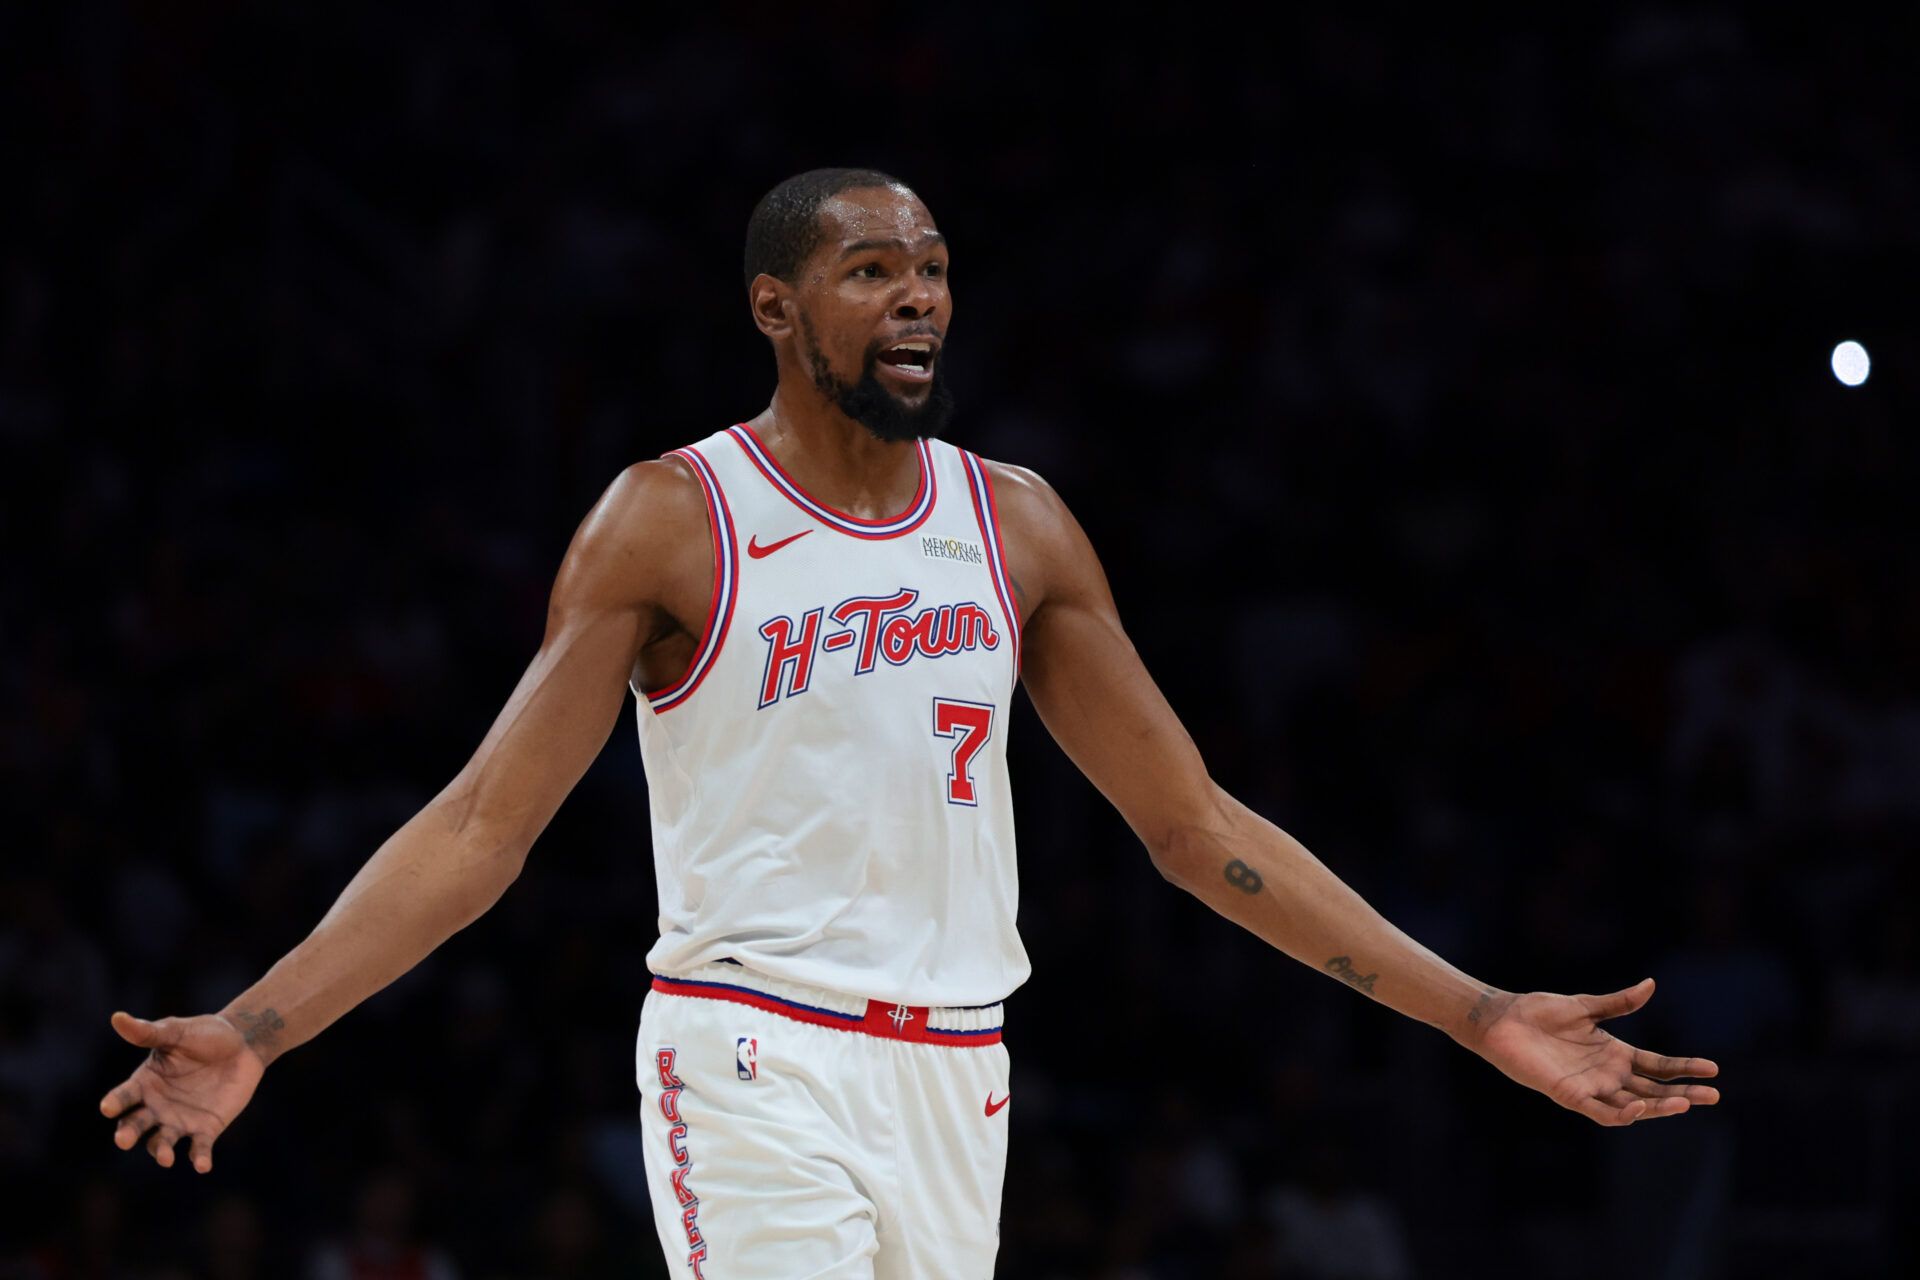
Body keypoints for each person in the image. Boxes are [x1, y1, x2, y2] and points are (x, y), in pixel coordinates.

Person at [98, 168, 1721, 1278]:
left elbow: (1197, 828)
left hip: (961, 1076)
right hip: (753, 1055)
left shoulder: (1015, 526)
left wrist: (1473, 1011)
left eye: (933, 267)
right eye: (871, 269)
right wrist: (258, 1027)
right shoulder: (674, 520)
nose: (918, 295)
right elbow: (478, 829)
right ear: (777, 308)